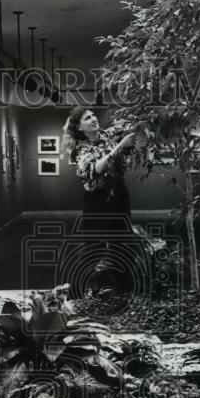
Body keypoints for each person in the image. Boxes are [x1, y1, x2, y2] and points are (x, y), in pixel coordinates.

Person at [61, 106, 139, 293]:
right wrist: (119, 147)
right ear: (80, 128)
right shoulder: (81, 150)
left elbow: (127, 133)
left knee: (121, 241)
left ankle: (123, 288)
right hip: (97, 201)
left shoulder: (106, 136)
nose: (94, 118)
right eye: (88, 118)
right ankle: (75, 292)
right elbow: (94, 170)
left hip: (118, 195)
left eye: (93, 115)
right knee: (92, 246)